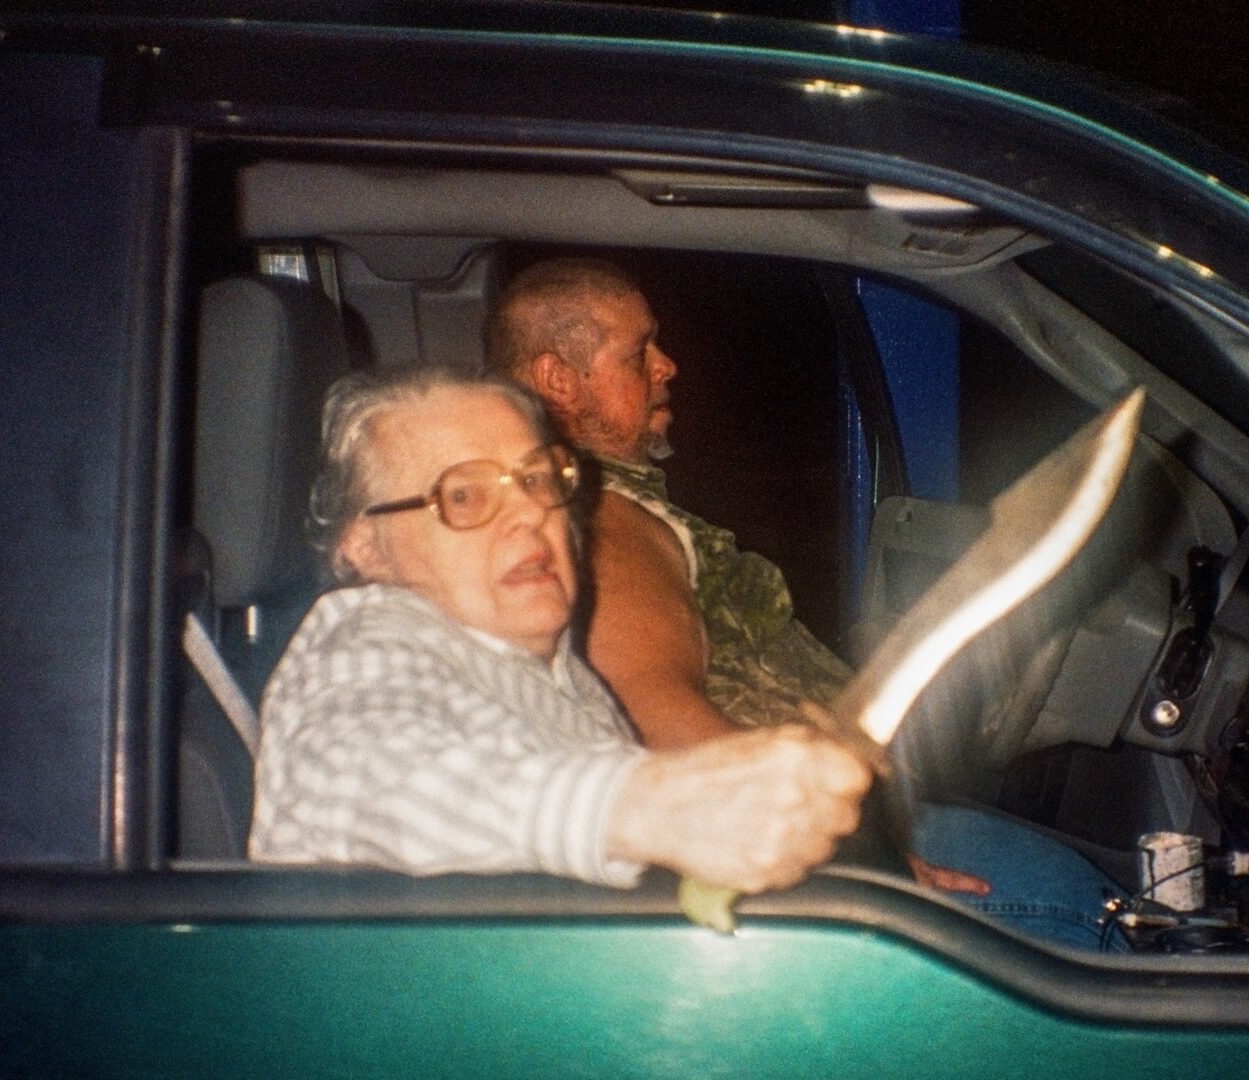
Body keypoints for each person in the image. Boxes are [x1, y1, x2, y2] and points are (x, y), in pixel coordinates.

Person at [486, 259, 1130, 950]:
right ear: (559, 380)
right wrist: (852, 859)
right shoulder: (603, 520)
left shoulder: (610, 506)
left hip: (835, 808)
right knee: (1078, 904)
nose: (668, 365)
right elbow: (646, 708)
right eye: (638, 351)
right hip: (801, 842)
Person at [250, 363, 871, 896]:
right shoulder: (363, 642)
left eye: (536, 478)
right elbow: (359, 778)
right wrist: (649, 806)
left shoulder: (553, 670)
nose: (530, 511)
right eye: (464, 496)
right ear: (366, 547)